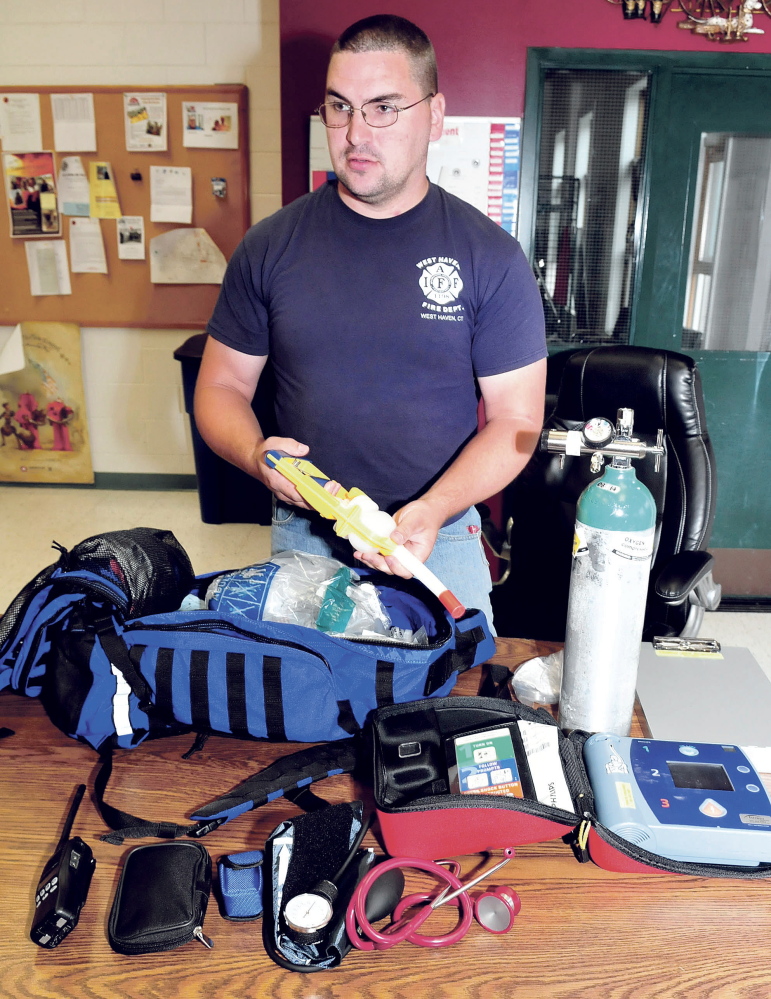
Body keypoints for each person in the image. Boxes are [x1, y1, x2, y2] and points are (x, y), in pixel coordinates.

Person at [194, 14, 547, 628]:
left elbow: (518, 423)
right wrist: (256, 456)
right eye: (339, 107)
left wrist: (433, 509)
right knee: (308, 712)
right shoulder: (270, 246)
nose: (356, 132)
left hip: (443, 539)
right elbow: (221, 387)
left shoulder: (488, 256)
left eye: (383, 107)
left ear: (434, 116)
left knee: (448, 713)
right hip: (307, 534)